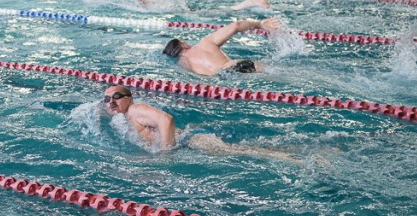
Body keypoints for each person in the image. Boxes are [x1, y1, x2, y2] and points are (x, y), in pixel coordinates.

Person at [101, 85, 300, 162]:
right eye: (107, 99)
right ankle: (289, 151)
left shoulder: (135, 109)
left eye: (116, 96)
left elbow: (166, 119)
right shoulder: (124, 116)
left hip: (192, 142)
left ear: (129, 98)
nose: (111, 102)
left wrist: (165, 151)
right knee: (242, 150)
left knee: (243, 152)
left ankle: (292, 159)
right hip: (188, 143)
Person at [162, 18, 283, 76]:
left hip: (220, 79)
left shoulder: (183, 64)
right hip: (233, 66)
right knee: (277, 73)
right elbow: (236, 25)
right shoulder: (205, 43)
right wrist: (260, 24)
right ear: (183, 44)